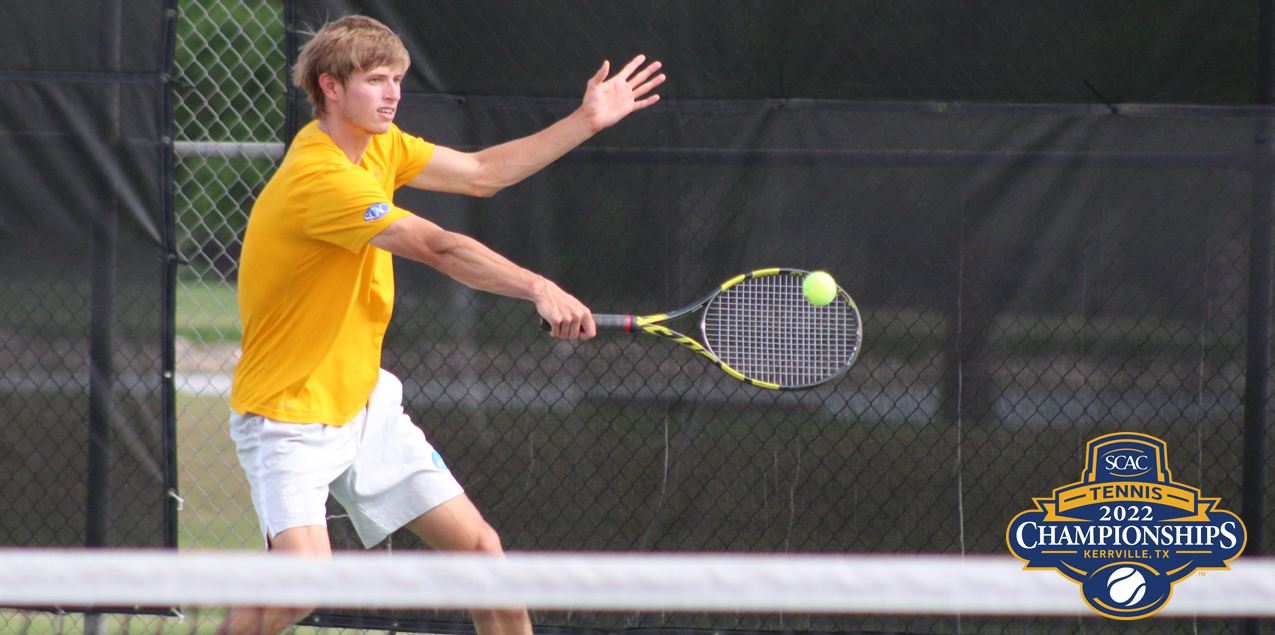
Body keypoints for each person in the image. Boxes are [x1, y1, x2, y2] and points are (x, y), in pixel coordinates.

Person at [219, 15, 664, 635]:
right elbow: (438, 247)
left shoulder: (382, 145)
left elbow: (481, 174)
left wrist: (586, 120)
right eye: (376, 80)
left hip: (362, 399)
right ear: (330, 86)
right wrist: (538, 287)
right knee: (297, 590)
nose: (393, 93)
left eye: (397, 78)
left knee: (484, 557)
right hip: (288, 415)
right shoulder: (319, 179)